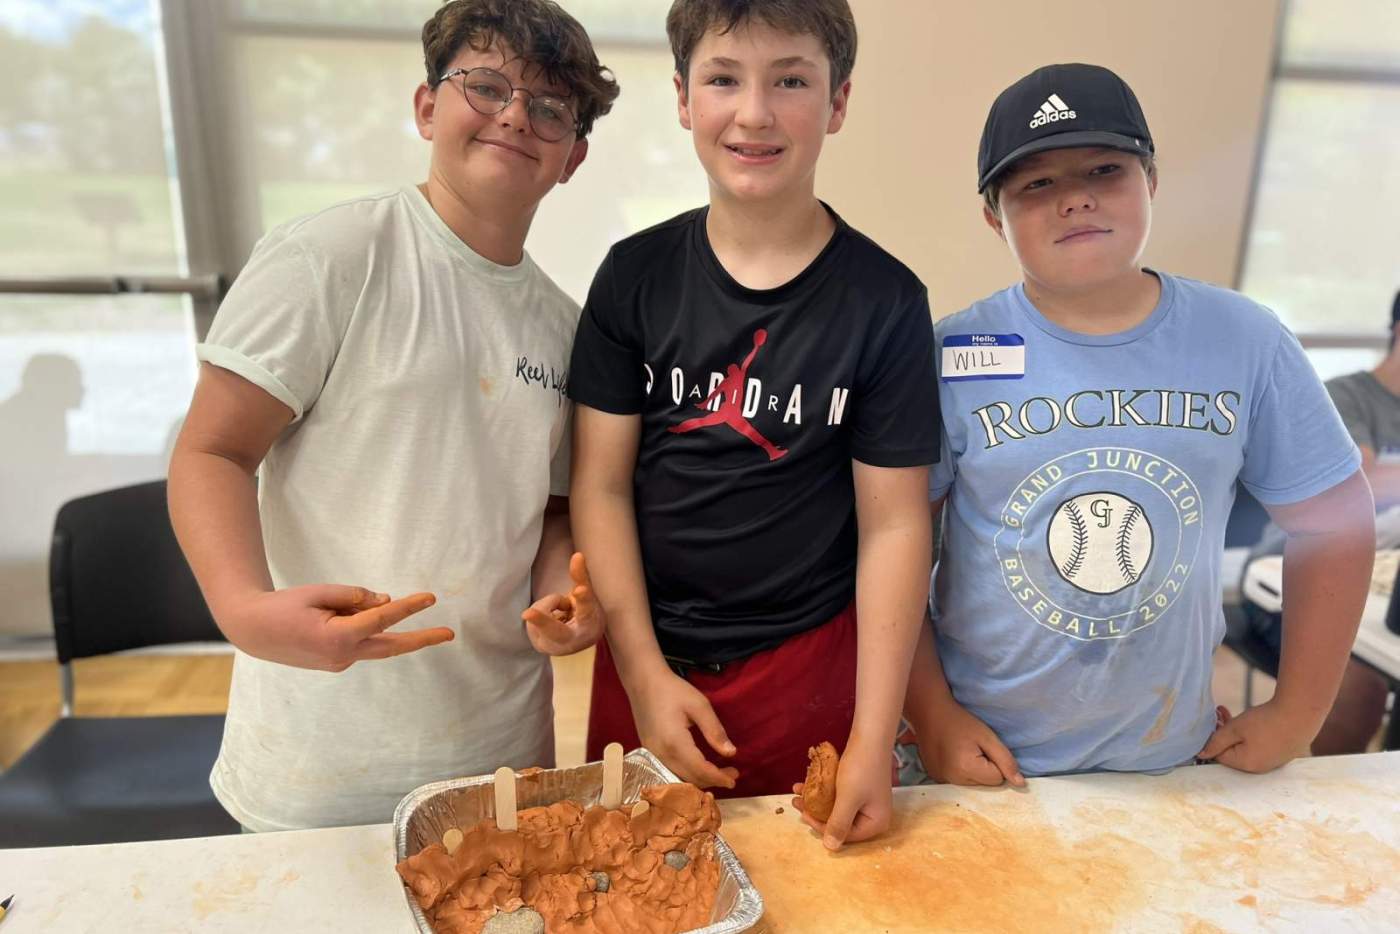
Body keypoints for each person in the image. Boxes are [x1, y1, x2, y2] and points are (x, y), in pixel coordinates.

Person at [167, 0, 618, 831]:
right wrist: (241, 607)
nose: (516, 115)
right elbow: (212, 454)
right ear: (426, 107)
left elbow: (551, 512)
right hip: (317, 759)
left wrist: (564, 592)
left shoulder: (567, 327)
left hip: (499, 757)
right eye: (485, 86)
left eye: (550, 107)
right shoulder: (331, 256)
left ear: (572, 158)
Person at [902, 63, 1374, 786]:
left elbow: (1337, 524)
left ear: (1150, 180)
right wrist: (932, 717)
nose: (1076, 199)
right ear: (994, 215)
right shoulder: (950, 353)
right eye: (1037, 184)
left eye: (1104, 168)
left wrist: (1300, 711)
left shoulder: (1244, 338)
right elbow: (889, 550)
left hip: (1169, 759)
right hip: (987, 759)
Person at [566, 0, 939, 851]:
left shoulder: (884, 303)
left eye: (791, 81)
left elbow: (894, 523)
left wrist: (875, 739)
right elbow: (600, 483)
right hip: (642, 658)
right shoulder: (634, 277)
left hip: (806, 667)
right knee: (632, 883)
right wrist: (644, 671)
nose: (755, 112)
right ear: (683, 96)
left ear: (838, 102)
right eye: (724, 79)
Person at [1242, 288, 1400, 755]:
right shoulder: (1346, 396)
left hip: (1382, 582)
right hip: (1289, 580)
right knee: (1359, 690)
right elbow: (1361, 485)